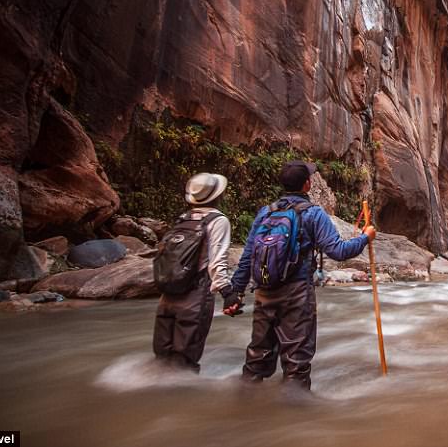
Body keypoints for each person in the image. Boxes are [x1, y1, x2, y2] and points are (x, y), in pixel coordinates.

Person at [227, 160, 376, 389]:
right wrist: (365, 237)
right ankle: (294, 410)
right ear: (307, 185)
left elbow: (248, 255)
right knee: (296, 361)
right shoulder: (314, 214)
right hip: (296, 295)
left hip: (264, 293)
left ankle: (244, 405)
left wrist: (235, 292)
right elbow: (338, 251)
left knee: (257, 356)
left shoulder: (266, 213)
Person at [153, 172, 239, 371]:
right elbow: (217, 261)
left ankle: (158, 398)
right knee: (185, 361)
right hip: (194, 296)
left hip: (167, 296)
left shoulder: (183, 219)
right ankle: (181, 398)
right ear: (217, 195)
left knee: (162, 357)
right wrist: (228, 293)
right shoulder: (217, 221)